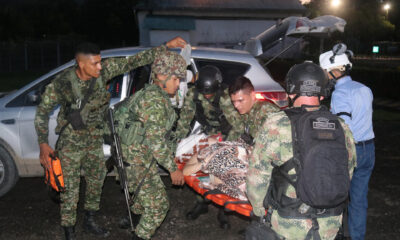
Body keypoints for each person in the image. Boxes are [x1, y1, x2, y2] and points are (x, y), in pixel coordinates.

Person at [34, 37, 186, 240]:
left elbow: (135, 60)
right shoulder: (63, 83)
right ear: (81, 64)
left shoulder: (104, 71)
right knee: (70, 188)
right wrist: (43, 144)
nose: (100, 67)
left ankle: (90, 219)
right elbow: (42, 112)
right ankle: (69, 229)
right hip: (71, 139)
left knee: (96, 182)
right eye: (94, 63)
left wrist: (166, 46)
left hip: (95, 136)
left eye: (100, 61)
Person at [246, 62, 357, 240]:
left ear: (290, 92)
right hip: (330, 224)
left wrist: (259, 211)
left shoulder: (276, 124)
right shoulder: (341, 127)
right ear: (322, 94)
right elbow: (348, 171)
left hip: (288, 224)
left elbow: (256, 177)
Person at [182, 76, 280, 223]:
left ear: (252, 95)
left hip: (272, 168)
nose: (237, 106)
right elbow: (245, 137)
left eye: (241, 100)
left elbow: (275, 148)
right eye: (234, 101)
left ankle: (235, 212)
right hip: (255, 158)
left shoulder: (265, 112)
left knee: (219, 163)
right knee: (215, 158)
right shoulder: (248, 113)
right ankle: (216, 205)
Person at [116, 50, 186, 240]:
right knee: (158, 207)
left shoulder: (149, 92)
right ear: (162, 77)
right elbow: (155, 142)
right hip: (137, 160)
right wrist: (173, 169)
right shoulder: (155, 101)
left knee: (142, 197)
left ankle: (134, 218)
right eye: (176, 79)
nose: (178, 83)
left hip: (133, 157)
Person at [320, 44, 375, 240]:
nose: (325, 77)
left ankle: (333, 234)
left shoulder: (340, 93)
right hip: (369, 149)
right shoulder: (364, 89)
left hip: (351, 151)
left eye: (326, 73)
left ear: (335, 71)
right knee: (359, 200)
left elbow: (345, 127)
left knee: (336, 196)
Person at [174, 65, 239, 141]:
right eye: (204, 92)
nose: (206, 95)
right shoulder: (193, 94)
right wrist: (178, 139)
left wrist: (228, 141)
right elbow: (185, 118)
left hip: (226, 132)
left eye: (209, 93)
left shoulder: (224, 97)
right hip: (206, 130)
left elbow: (237, 125)